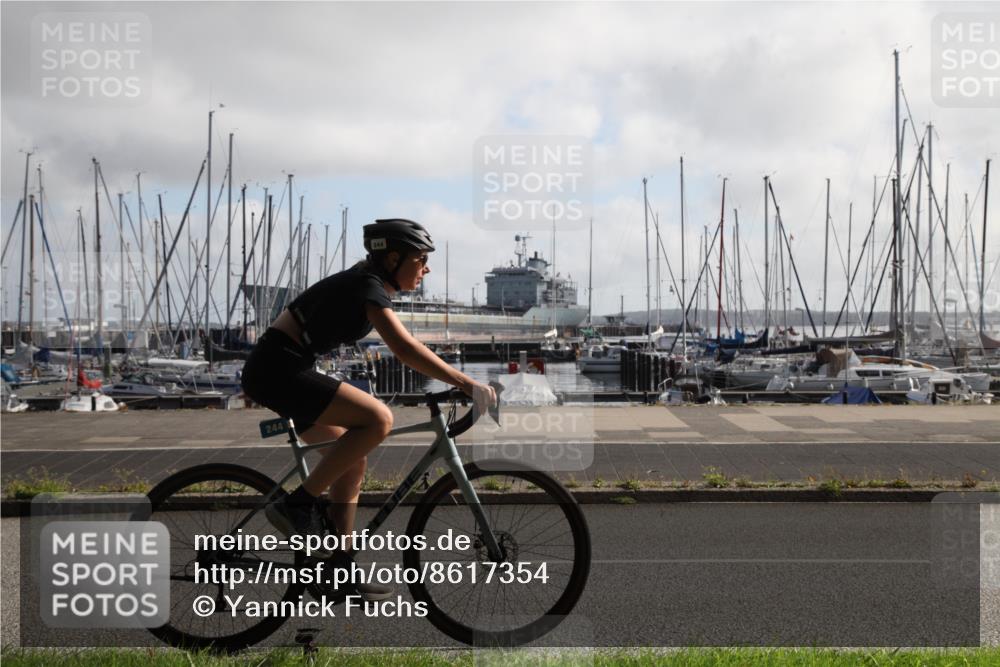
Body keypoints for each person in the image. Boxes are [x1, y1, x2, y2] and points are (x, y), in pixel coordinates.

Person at [240, 218, 496, 598]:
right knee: (379, 418)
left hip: (287, 367)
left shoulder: (367, 281)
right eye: (420, 259)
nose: (426, 269)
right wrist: (466, 383)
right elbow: (405, 348)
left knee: (351, 458)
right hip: (278, 369)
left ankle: (338, 571)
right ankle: (298, 504)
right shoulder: (367, 285)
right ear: (393, 258)